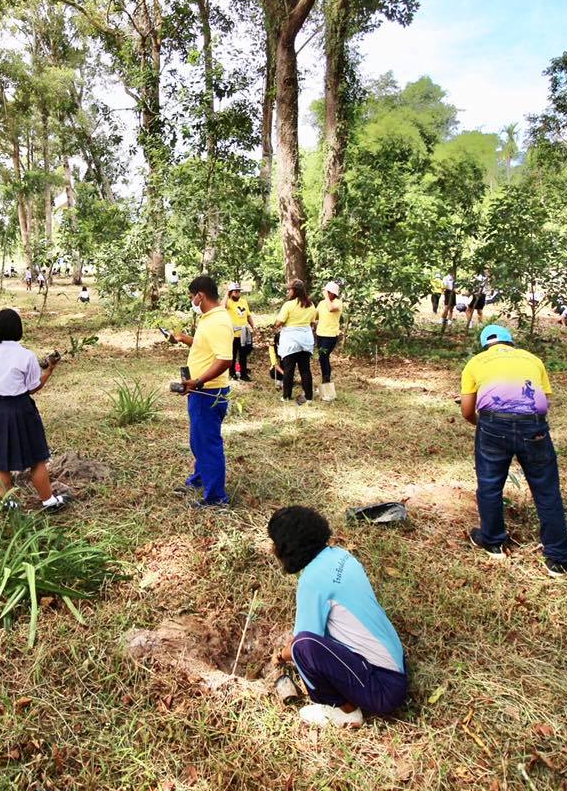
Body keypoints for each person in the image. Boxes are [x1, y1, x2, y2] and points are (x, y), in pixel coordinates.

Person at [267, 506, 408, 727]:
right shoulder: (341, 556)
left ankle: (345, 711)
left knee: (301, 647)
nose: (272, 549)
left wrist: (280, 656)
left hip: (382, 688)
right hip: (395, 665)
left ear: (288, 547)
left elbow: (304, 643)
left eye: (274, 542)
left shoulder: (312, 581)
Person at [459, 325, 567, 576]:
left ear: (485, 345)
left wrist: (484, 426)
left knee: (490, 484)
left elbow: (467, 411)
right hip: (533, 426)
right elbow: (543, 401)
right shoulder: (533, 359)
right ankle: (558, 558)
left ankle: (493, 541)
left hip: (493, 423)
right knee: (546, 489)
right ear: (511, 343)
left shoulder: (476, 362)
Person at [0, 308, 68, 513]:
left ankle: (8, 504)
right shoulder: (26, 356)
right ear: (18, 330)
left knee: (0, 461)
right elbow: (32, 387)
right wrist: (49, 370)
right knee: (36, 458)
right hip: (21, 408)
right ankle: (48, 501)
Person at [168, 276, 235, 508]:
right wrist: (183, 338)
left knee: (207, 442)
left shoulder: (218, 321)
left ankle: (216, 497)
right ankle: (199, 478)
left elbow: (225, 359)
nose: (192, 302)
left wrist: (197, 382)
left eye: (192, 297)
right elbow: (205, 345)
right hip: (199, 392)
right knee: (198, 441)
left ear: (200, 295)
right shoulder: (209, 318)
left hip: (208, 393)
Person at [275, 280, 317, 404]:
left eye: (290, 289)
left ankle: (286, 397)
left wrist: (276, 324)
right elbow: (312, 322)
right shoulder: (310, 305)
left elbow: (279, 322)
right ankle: (309, 397)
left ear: (294, 290)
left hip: (291, 341)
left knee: (289, 370)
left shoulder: (288, 305)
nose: (288, 291)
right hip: (305, 340)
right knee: (305, 370)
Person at [315, 282, 344, 403]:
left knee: (323, 356)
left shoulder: (338, 303)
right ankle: (325, 381)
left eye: (327, 291)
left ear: (332, 293)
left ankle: (326, 382)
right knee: (322, 358)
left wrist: (327, 297)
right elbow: (315, 315)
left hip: (330, 336)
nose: (325, 293)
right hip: (320, 334)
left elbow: (331, 309)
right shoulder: (322, 303)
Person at [224, 282, 256, 382]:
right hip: (232, 334)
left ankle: (243, 374)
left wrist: (253, 326)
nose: (238, 293)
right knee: (232, 355)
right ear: (231, 292)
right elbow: (221, 305)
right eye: (235, 291)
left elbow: (248, 315)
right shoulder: (228, 302)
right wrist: (227, 293)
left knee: (243, 355)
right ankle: (232, 373)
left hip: (243, 333)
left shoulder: (243, 302)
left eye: (239, 291)